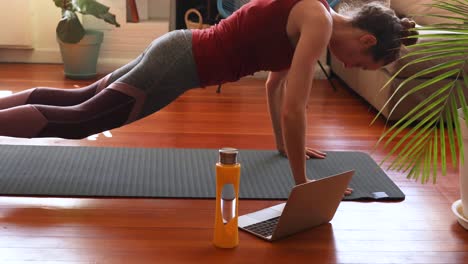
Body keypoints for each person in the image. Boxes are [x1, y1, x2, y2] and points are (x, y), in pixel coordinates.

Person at [0, 0, 416, 192]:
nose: (352, 68)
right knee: (83, 121)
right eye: (362, 64)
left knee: (83, 100)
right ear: (365, 40)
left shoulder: (312, 17)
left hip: (179, 50)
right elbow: (296, 107)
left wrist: (280, 146)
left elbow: (276, 87)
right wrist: (302, 183)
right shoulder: (317, 20)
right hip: (180, 64)